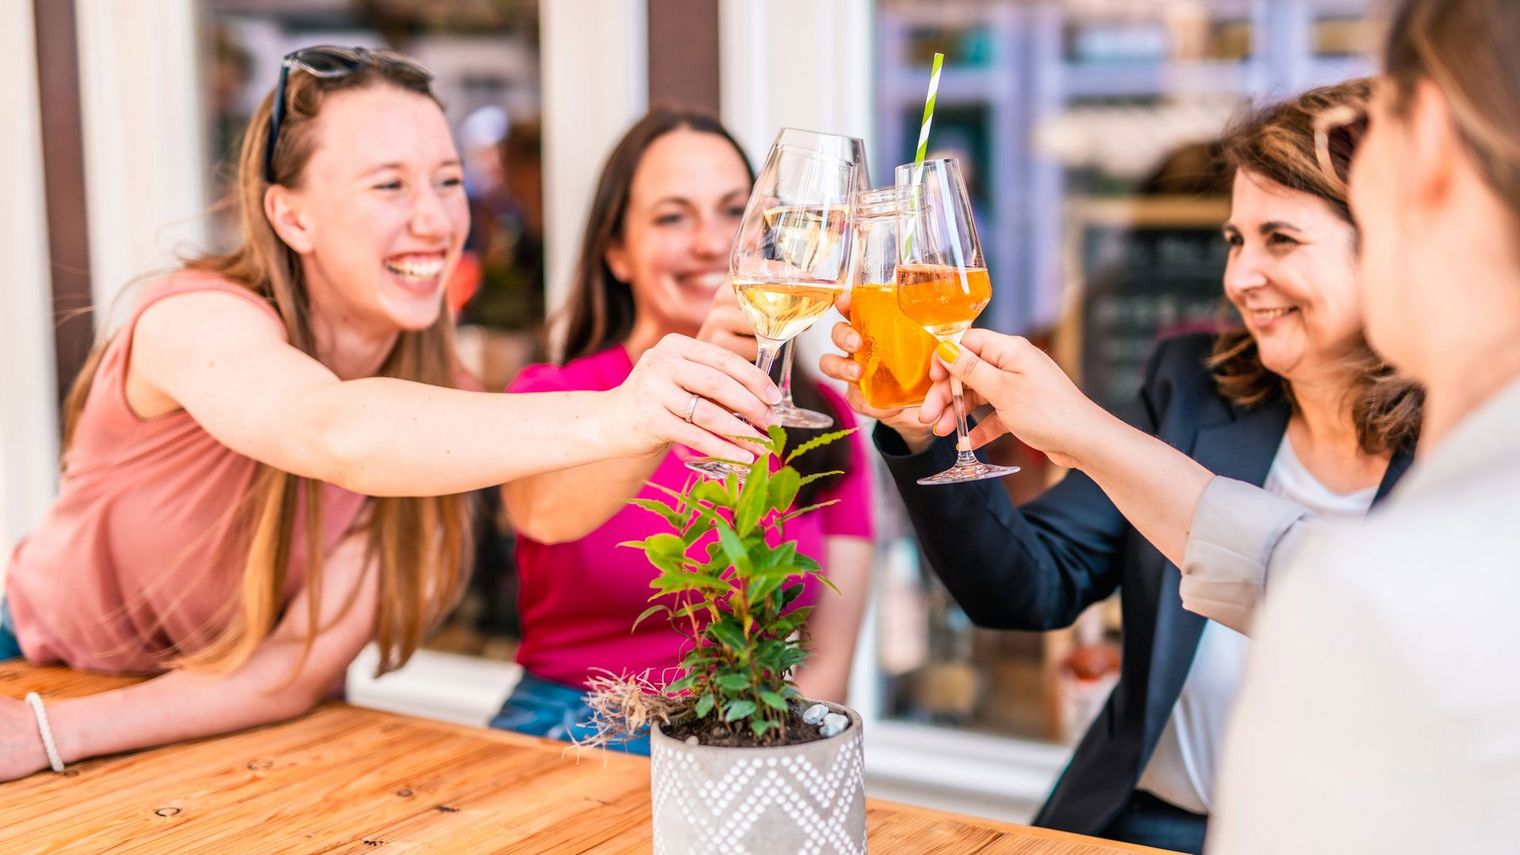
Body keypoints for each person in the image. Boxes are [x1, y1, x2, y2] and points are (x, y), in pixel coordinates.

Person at [0, 48, 781, 783]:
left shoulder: (434, 403)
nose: (436, 222)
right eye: (388, 186)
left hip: (214, 719)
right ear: (291, 216)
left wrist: (55, 734)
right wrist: (625, 412)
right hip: (36, 676)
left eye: (448, 181)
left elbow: (287, 673)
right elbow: (329, 428)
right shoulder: (193, 320)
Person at [821, 80, 1419, 853]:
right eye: (1236, 240)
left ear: (1394, 246)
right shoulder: (1191, 387)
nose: (1240, 277)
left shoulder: (1472, 456)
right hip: (1141, 830)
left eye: (1281, 239)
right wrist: (920, 432)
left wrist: (1080, 427)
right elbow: (1026, 583)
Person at [492, 108, 875, 754]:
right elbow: (543, 514)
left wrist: (756, 766)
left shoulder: (820, 416)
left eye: (735, 212)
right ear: (616, 252)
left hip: (752, 738)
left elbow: (828, 663)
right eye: (673, 217)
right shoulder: (552, 393)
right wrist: (689, 388)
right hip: (574, 733)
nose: (713, 243)